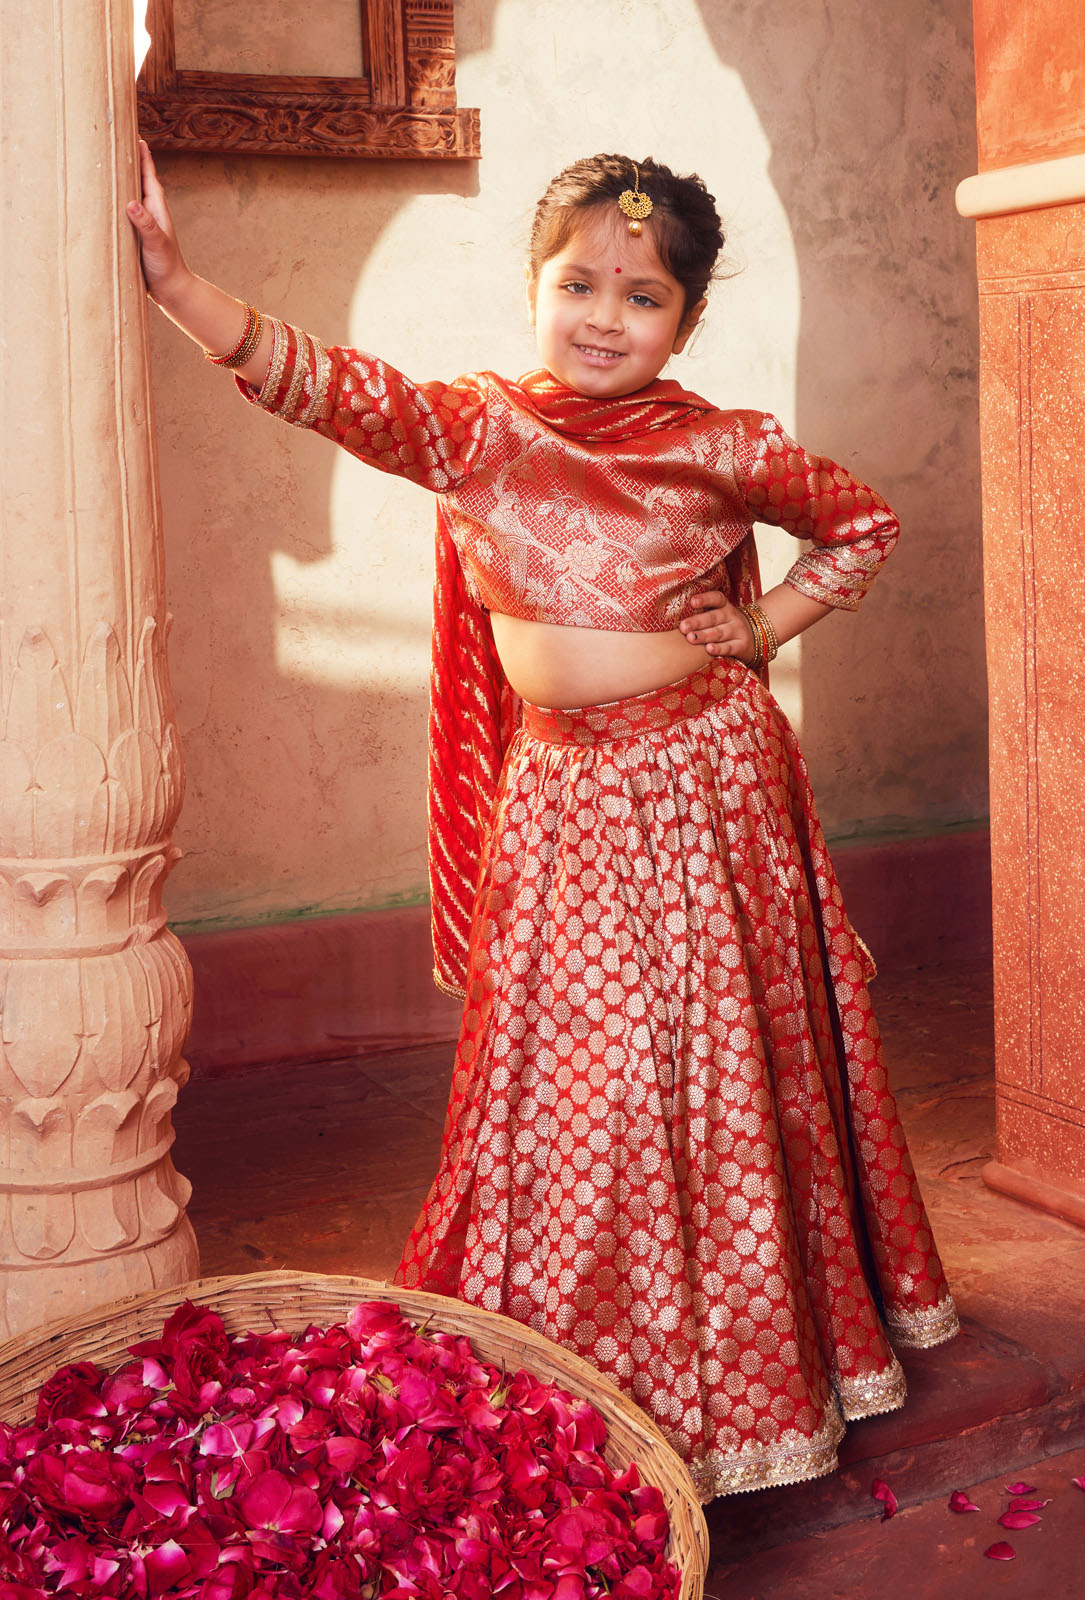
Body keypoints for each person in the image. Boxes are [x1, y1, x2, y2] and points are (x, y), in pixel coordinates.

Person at [128, 144, 958, 1501]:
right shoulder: (479, 429)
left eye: (642, 297)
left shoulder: (720, 441)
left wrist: (757, 626)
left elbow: (862, 525)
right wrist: (176, 283)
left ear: (686, 320)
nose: (602, 316)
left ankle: (739, 1379)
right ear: (533, 287)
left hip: (704, 788)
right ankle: (584, 1353)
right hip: (566, 798)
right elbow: (334, 388)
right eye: (578, 282)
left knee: (700, 1069)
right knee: (582, 1084)